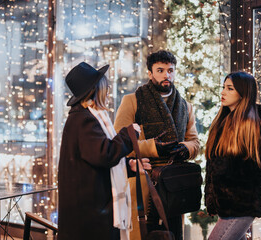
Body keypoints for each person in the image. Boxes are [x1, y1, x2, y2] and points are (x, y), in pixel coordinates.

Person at [58, 62, 151, 240]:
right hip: (90, 212)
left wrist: (128, 164)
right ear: (95, 90)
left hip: (88, 210)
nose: (107, 90)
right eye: (105, 86)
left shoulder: (83, 117)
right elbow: (103, 155)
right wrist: (128, 135)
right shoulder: (84, 119)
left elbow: (95, 156)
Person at [114, 50, 200, 240]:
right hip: (144, 180)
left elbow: (194, 141)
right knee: (143, 233)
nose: (166, 75)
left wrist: (186, 148)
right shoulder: (132, 102)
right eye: (160, 70)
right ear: (150, 73)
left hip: (174, 183)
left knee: (173, 233)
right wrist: (154, 147)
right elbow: (119, 143)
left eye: (170, 70)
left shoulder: (185, 106)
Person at [204, 72, 261, 240]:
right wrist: (213, 199)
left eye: (230, 89)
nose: (223, 92)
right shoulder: (220, 123)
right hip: (225, 206)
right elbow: (212, 168)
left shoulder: (254, 125)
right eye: (223, 88)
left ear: (244, 93)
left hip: (242, 206)